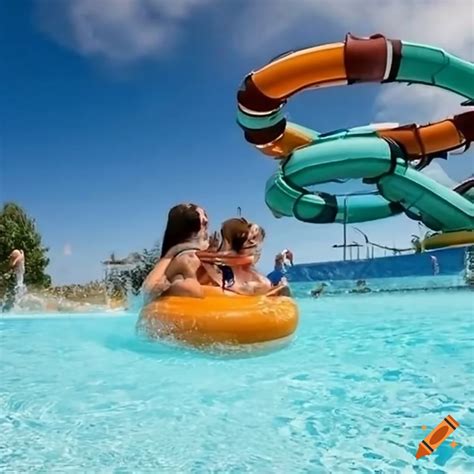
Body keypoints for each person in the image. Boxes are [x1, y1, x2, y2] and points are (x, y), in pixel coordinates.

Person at [200, 218, 291, 296]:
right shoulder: (211, 263)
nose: (249, 238)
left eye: (254, 237)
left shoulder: (260, 282)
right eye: (248, 233)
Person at [142, 203, 210, 301]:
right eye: (200, 218)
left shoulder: (178, 257)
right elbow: (149, 289)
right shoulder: (185, 258)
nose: (206, 220)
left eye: (205, 215)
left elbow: (147, 292)